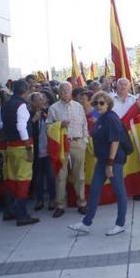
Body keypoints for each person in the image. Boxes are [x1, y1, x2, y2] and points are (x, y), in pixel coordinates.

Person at [68, 91, 128, 235]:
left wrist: (110, 163)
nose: (98, 106)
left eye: (102, 103)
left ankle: (120, 224)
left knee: (119, 191)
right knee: (94, 190)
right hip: (102, 160)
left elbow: (115, 141)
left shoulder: (111, 118)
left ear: (108, 104)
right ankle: (86, 223)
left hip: (112, 161)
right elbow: (89, 119)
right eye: (96, 103)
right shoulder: (100, 117)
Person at [0, 79, 40, 226]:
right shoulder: (21, 105)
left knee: (11, 180)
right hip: (22, 146)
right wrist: (28, 147)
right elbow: (21, 127)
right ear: (25, 91)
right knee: (23, 180)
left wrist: (7, 125)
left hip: (9, 147)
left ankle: (9, 211)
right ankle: (22, 215)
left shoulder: (5, 105)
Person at [47, 82, 89, 217]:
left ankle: (82, 203)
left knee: (79, 176)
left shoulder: (78, 107)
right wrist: (59, 125)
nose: (65, 92)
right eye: (63, 90)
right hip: (62, 145)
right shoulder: (53, 108)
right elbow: (47, 127)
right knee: (60, 175)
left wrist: (84, 141)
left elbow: (84, 125)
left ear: (71, 91)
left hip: (77, 142)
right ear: (59, 92)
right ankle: (59, 205)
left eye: (68, 90)